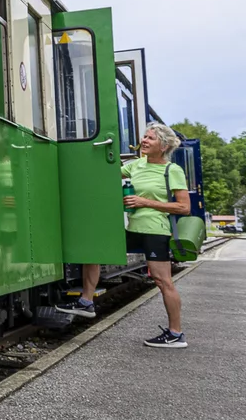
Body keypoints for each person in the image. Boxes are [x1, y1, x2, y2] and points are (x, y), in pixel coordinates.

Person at [55, 122, 192, 349]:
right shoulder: (136, 165)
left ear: (164, 146)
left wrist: (144, 202)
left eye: (151, 138)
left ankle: (176, 334)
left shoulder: (172, 170)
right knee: (94, 247)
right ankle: (86, 302)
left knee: (162, 280)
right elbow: (107, 172)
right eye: (144, 137)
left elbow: (183, 207)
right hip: (134, 227)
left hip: (155, 230)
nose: (144, 141)